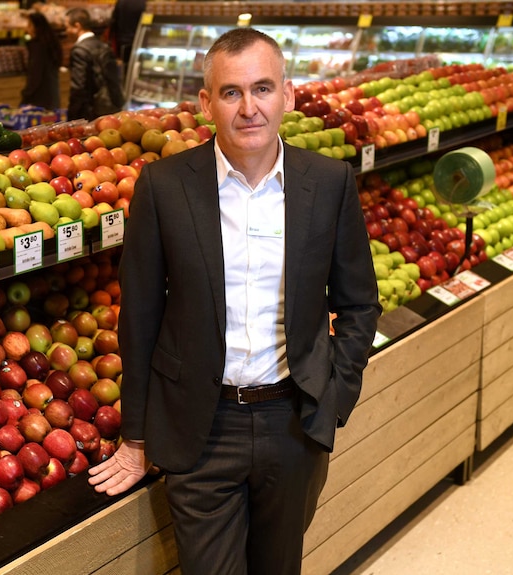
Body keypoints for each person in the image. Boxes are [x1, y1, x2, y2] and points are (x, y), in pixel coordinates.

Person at [88, 27, 381, 575]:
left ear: (288, 95)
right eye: (231, 92)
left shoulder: (329, 182)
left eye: (263, 88)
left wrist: (336, 394)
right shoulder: (164, 186)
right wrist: (136, 435)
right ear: (206, 103)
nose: (249, 107)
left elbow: (360, 302)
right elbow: (141, 318)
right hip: (202, 426)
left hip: (295, 420)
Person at [65, 7, 125, 121]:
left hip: (90, 113)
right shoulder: (104, 45)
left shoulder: (79, 50)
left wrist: (72, 115)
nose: (65, 31)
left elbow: (79, 87)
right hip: (110, 108)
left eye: (67, 26)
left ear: (77, 26)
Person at [20, 11, 62, 111]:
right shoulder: (51, 44)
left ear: (37, 27)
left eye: (29, 25)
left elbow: (35, 73)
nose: (27, 29)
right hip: (52, 96)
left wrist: (26, 94)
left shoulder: (38, 47)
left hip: (39, 100)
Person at [109, 0, 147, 70]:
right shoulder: (144, 3)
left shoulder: (121, 2)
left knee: (125, 68)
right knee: (138, 67)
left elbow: (114, 22)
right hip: (140, 41)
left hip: (123, 41)